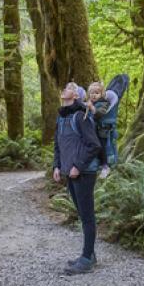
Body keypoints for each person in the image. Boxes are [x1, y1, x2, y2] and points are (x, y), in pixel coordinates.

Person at [53, 81, 103, 275]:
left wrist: (78, 166)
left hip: (84, 172)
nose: (64, 89)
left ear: (75, 96)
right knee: (82, 214)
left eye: (69, 88)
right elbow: (58, 145)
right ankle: (89, 254)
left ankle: (86, 258)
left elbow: (94, 145)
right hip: (69, 172)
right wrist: (57, 166)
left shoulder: (81, 116)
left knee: (87, 215)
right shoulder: (62, 118)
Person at [85, 81, 118, 178]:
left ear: (102, 94)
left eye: (96, 93)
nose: (94, 95)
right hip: (92, 131)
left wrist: (91, 108)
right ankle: (96, 165)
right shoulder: (91, 103)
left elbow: (99, 114)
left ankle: (105, 166)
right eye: (92, 93)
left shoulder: (103, 103)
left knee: (101, 147)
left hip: (102, 131)